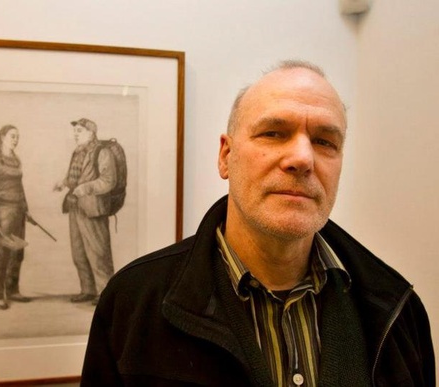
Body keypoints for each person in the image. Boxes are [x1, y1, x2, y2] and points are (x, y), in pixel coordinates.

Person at [80, 61, 435, 386]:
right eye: (273, 133)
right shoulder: (133, 303)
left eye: (325, 141)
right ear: (226, 156)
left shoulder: (396, 310)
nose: (302, 158)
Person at [54, 118, 117, 306]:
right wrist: (64, 183)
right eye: (75, 131)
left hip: (93, 209)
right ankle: (88, 290)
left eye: (80, 131)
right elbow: (75, 176)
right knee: (79, 252)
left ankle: (105, 292)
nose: (75, 134)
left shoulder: (102, 152)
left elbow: (108, 181)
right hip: (75, 207)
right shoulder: (78, 152)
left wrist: (86, 188)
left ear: (91, 133)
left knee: (98, 252)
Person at [0, 124, 35, 310]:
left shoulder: (16, 160)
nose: (16, 140)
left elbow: (20, 188)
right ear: (2, 137)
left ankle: (12, 290)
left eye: (17, 136)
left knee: (16, 253)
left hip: (18, 212)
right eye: (12, 136)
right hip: (1, 213)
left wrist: (26, 209)